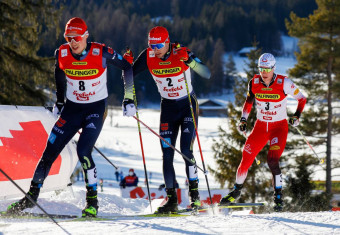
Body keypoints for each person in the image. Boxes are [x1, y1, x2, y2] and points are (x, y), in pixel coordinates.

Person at [6, 17, 136, 217]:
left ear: (85, 36)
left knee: (83, 151)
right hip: (72, 109)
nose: (72, 42)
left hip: (95, 109)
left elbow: (127, 67)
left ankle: (92, 202)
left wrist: (128, 98)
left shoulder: (101, 52)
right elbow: (59, 74)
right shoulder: (62, 53)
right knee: (49, 152)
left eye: (76, 37)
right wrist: (59, 101)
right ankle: (30, 198)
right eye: (68, 37)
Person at [123, 26, 211, 214]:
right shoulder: (148, 56)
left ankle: (195, 198)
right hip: (168, 108)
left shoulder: (180, 52)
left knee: (186, 149)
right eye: (151, 44)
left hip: (187, 105)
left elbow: (206, 73)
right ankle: (171, 200)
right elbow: (129, 73)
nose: (155, 49)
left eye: (159, 45)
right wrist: (128, 94)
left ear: (167, 42)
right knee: (166, 153)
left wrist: (190, 61)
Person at [219, 53, 307, 212]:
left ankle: (278, 197)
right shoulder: (254, 82)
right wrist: (243, 120)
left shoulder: (284, 82)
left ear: (274, 68)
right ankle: (236, 191)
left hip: (278, 128)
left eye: (267, 69)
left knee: (272, 160)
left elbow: (302, 99)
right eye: (261, 68)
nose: (264, 72)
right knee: (246, 157)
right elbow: (248, 102)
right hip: (260, 127)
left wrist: (296, 116)